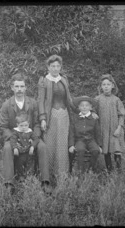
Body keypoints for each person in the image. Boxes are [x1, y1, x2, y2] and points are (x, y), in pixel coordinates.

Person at [0, 73, 50, 193]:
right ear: (12, 88)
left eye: (22, 86)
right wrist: (14, 139)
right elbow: (3, 127)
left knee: (42, 146)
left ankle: (45, 182)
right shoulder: (6, 105)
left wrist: (35, 137)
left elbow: (37, 123)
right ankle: (9, 183)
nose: (19, 90)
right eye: (16, 87)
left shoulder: (33, 103)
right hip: (14, 137)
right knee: (7, 148)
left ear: (26, 87)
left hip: (31, 136)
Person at [38, 55, 75, 183]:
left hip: (64, 115)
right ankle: (47, 176)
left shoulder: (63, 79)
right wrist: (42, 118)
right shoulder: (44, 81)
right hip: (51, 116)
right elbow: (41, 101)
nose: (55, 69)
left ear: (60, 67)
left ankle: (62, 175)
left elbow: (69, 99)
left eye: (57, 66)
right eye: (52, 66)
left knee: (62, 145)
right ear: (48, 67)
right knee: (50, 144)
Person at [95, 74, 125, 172]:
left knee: (117, 149)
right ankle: (109, 171)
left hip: (115, 130)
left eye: (108, 84)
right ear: (101, 87)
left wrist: (119, 128)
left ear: (112, 86)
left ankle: (119, 171)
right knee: (106, 150)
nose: (106, 86)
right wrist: (93, 114)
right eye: (104, 84)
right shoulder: (97, 99)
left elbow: (121, 115)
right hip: (103, 129)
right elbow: (91, 110)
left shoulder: (116, 100)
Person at [68, 96, 102, 174]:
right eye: (82, 105)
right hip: (80, 140)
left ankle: (90, 169)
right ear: (79, 107)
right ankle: (80, 170)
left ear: (90, 107)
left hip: (91, 139)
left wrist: (100, 145)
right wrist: (71, 145)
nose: (84, 107)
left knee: (95, 150)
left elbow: (98, 133)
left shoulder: (93, 118)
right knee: (80, 150)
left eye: (86, 105)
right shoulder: (75, 118)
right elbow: (72, 133)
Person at [10, 113, 39, 182]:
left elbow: (36, 139)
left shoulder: (30, 132)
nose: (24, 127)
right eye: (21, 125)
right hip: (20, 153)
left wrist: (32, 147)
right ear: (17, 125)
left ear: (28, 124)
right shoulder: (16, 132)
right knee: (19, 164)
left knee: (30, 164)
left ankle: (29, 176)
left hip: (29, 152)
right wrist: (15, 148)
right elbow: (13, 140)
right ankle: (21, 176)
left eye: (26, 125)